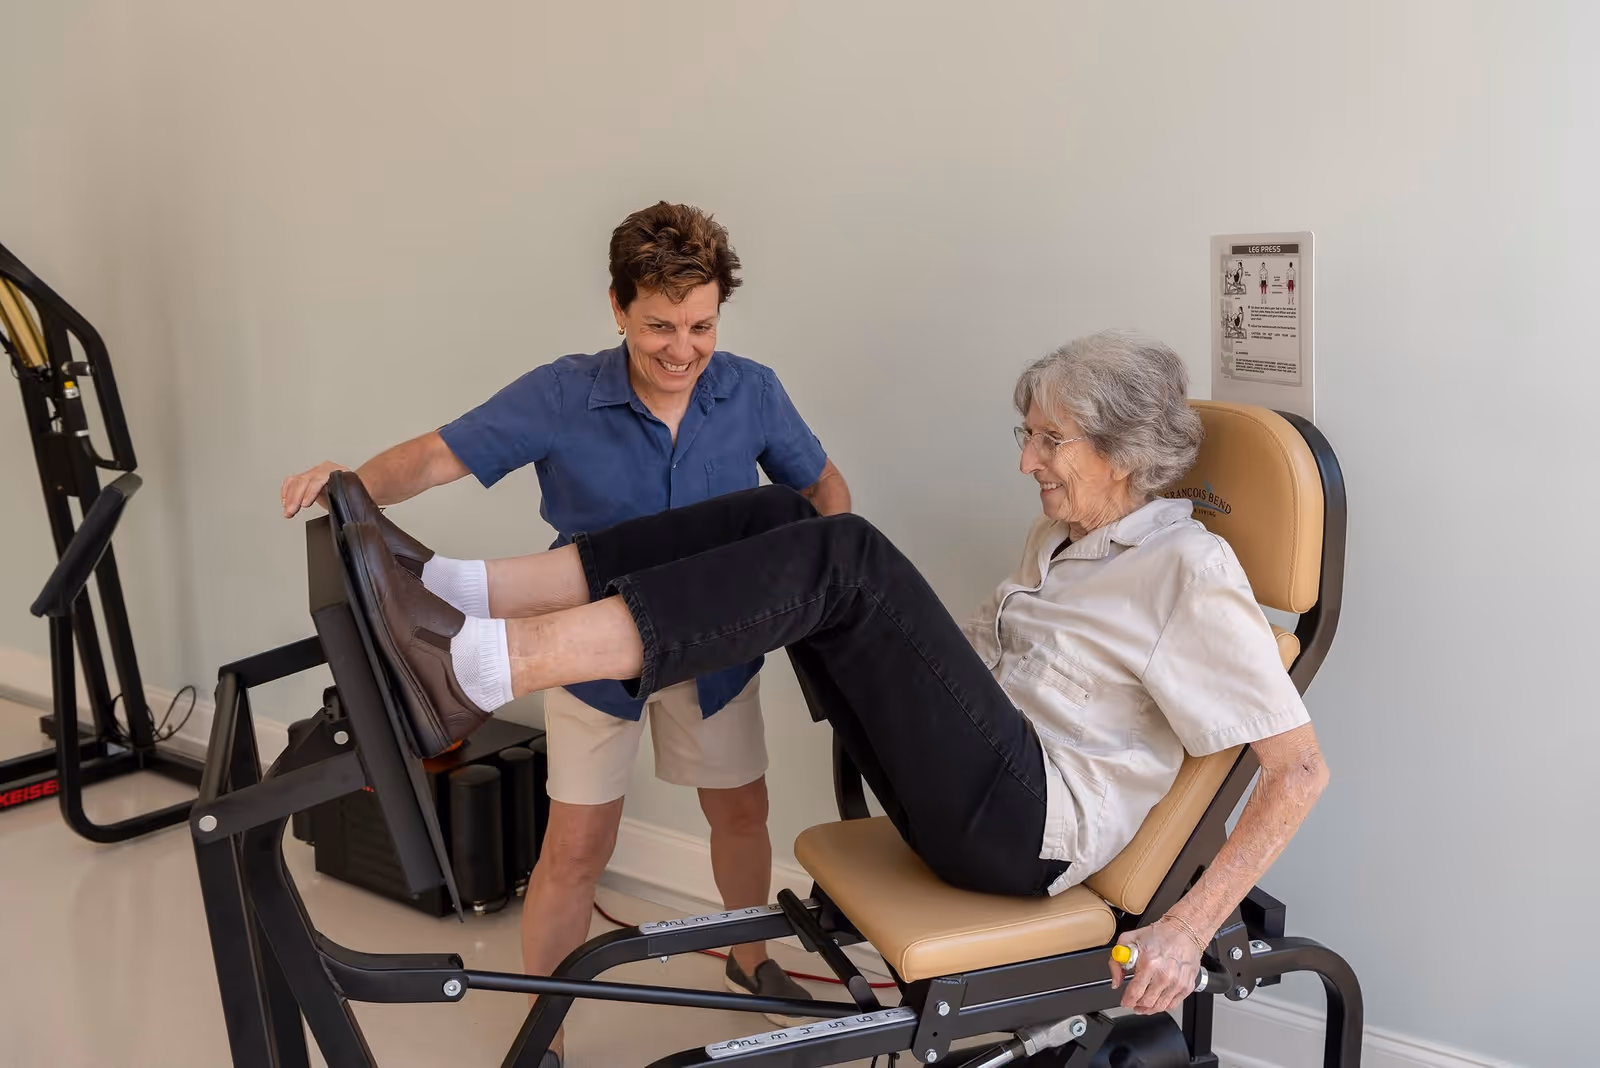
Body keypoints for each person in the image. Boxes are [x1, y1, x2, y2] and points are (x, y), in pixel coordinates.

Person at [345, 329, 1329, 1020]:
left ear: (1122, 453)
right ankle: (459, 592)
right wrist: (876, 627)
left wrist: (1189, 931)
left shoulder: (1189, 572)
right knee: (790, 519)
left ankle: (480, 671)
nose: (1027, 460)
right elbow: (967, 678)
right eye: (1024, 434)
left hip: (1019, 833)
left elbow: (1296, 770)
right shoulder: (1063, 539)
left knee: (844, 551)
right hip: (967, 782)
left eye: (1048, 439)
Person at [279, 202, 850, 1062]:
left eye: (700, 326)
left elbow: (825, 493)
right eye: (659, 325)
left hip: (716, 650)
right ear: (617, 308)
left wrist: (816, 576)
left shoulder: (752, 389)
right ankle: (539, 1019)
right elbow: (439, 455)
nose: (681, 349)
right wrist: (351, 487)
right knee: (577, 842)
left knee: (742, 812)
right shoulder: (563, 392)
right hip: (588, 644)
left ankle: (748, 959)